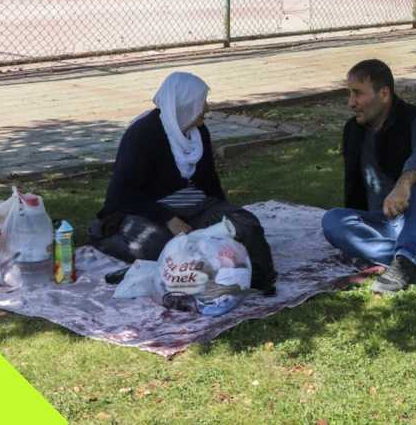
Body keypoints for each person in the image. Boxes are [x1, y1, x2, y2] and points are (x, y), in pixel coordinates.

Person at [88, 72, 277, 294]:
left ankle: (255, 279)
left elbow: (209, 182)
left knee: (243, 224)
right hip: (144, 211)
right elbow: (121, 195)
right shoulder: (143, 134)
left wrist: (224, 214)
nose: (206, 109)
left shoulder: (198, 132)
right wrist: (168, 218)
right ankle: (186, 271)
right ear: (183, 105)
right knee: (164, 245)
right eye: (201, 102)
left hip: (189, 204)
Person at [321, 60, 416, 295]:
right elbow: (354, 187)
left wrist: (404, 184)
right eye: (350, 94)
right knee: (332, 220)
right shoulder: (353, 130)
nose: (351, 103)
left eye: (358, 93)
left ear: (384, 93)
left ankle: (405, 262)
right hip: (385, 223)